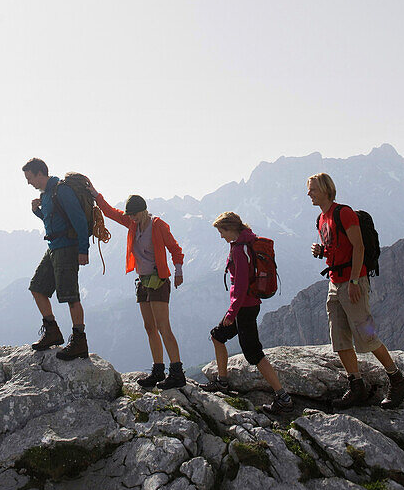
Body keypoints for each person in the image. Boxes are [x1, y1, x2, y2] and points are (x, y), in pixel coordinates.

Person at [308, 172, 404, 409]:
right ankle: (356, 386)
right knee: (340, 338)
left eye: (313, 189)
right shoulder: (321, 219)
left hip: (353, 284)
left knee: (367, 334)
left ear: (326, 189)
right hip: (334, 284)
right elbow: (336, 248)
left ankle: (398, 381)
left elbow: (359, 247)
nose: (309, 193)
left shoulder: (343, 213)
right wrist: (321, 251)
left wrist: (355, 281)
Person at [89, 184, 186, 390]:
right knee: (149, 327)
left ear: (143, 211)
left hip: (159, 281)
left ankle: (177, 372)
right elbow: (110, 212)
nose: (131, 218)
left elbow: (175, 249)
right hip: (142, 281)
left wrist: (178, 271)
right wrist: (94, 193)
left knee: (163, 327)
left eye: (134, 214)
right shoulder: (133, 224)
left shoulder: (158, 225)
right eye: (130, 215)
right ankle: (158, 371)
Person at [203, 211, 294, 415]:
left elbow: (242, 284)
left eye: (221, 231)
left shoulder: (240, 249)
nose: (221, 236)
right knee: (217, 336)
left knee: (253, 352)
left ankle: (283, 397)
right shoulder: (246, 242)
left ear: (230, 228)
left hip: (244, 307)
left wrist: (231, 313)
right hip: (247, 305)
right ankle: (222, 381)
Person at [24, 157, 90, 360]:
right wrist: (38, 212)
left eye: (29, 178)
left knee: (70, 296)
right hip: (53, 247)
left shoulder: (61, 191)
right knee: (37, 287)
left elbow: (78, 219)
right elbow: (51, 220)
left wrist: (83, 249)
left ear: (40, 173)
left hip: (67, 248)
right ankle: (52, 332)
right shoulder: (46, 195)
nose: (28, 183)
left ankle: (79, 341)